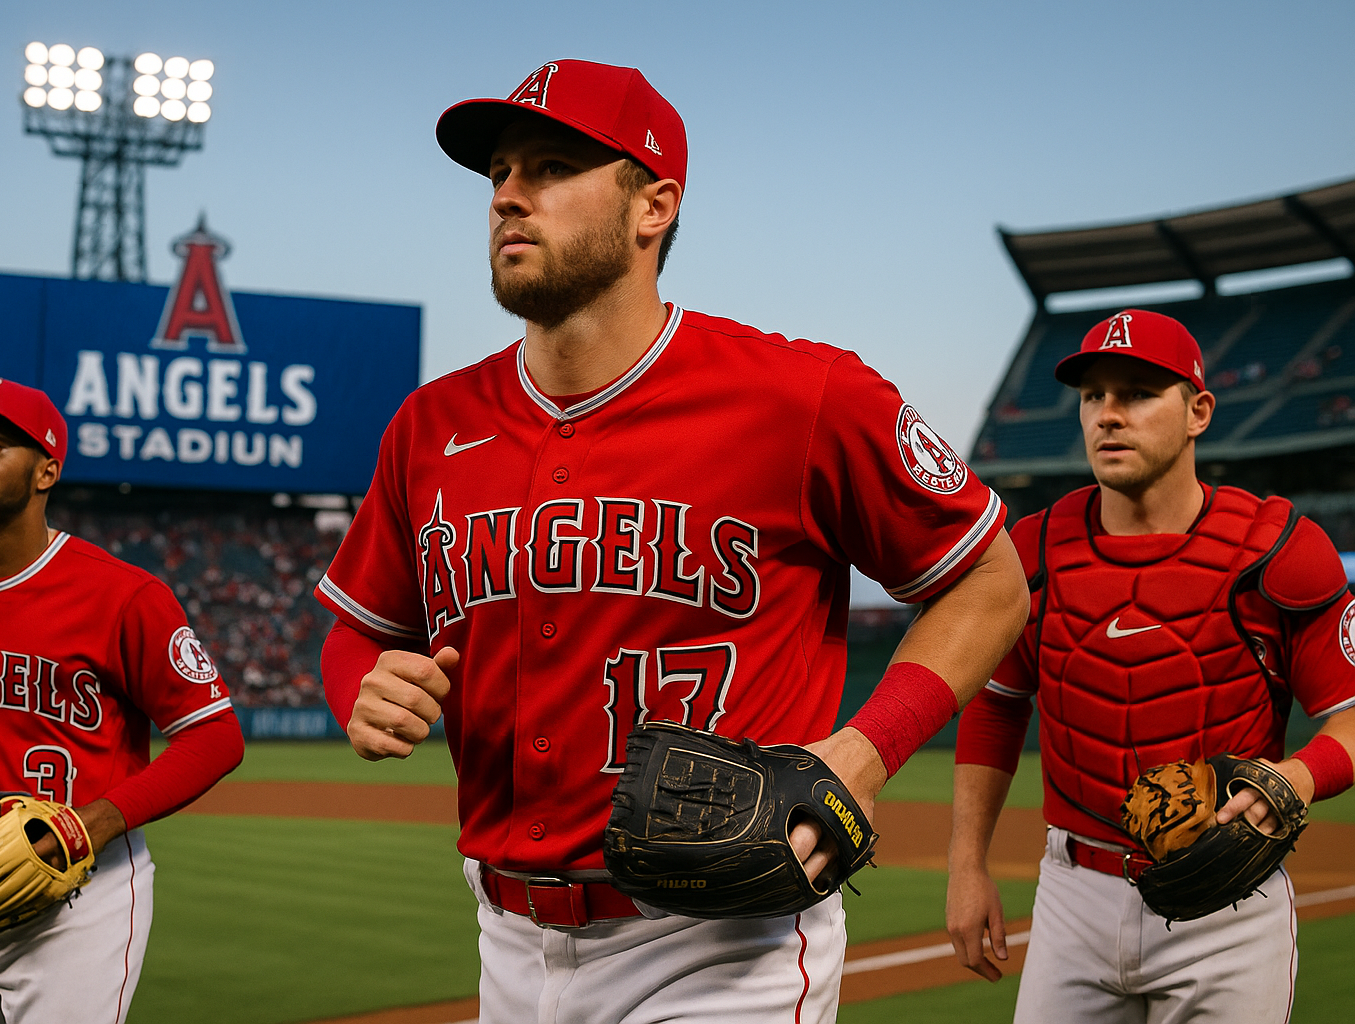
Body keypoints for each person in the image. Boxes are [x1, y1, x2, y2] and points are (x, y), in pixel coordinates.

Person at [314, 59, 1028, 1022]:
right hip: (505, 937)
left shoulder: (802, 397)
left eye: (553, 167)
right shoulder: (431, 425)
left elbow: (992, 579)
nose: (510, 197)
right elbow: (358, 631)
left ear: (654, 207)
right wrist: (355, 685)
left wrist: (864, 752)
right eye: (497, 176)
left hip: (727, 940)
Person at [946, 309, 1355, 1021]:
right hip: (1073, 891)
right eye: (1092, 396)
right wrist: (965, 863)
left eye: (1137, 393)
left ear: (1198, 411)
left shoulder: (1277, 549)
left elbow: (1351, 720)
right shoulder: (1032, 552)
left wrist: (1296, 775)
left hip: (1230, 896)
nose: (1108, 415)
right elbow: (997, 704)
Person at [0, 378, 244, 1024]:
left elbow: (216, 737)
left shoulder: (123, 595)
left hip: (76, 903)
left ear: (46, 471)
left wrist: (97, 820)